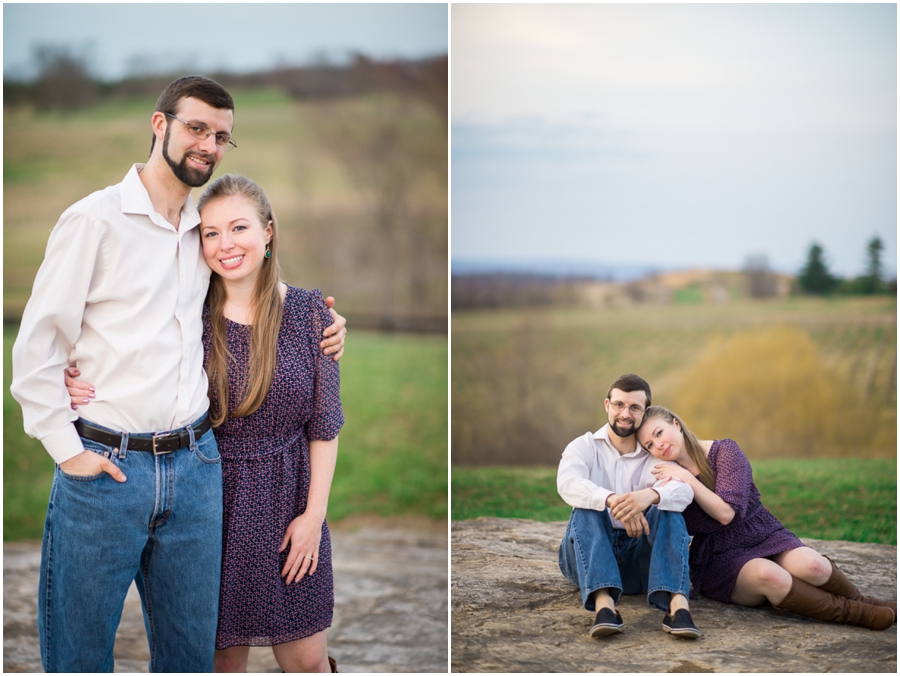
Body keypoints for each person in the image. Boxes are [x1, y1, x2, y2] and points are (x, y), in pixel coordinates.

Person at [11, 76, 346, 673]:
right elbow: (37, 346)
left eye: (221, 136)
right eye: (197, 128)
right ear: (159, 124)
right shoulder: (95, 221)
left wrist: (323, 321)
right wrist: (67, 449)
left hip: (196, 469)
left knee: (190, 657)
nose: (208, 144)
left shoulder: (200, 230)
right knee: (79, 652)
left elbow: (256, 294)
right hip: (108, 469)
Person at [636, 405, 896, 631]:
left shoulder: (724, 452)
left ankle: (863, 601)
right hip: (719, 558)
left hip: (761, 533)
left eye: (659, 433)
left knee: (813, 566)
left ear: (676, 424)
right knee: (771, 576)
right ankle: (858, 614)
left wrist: (688, 479)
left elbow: (727, 513)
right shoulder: (667, 477)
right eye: (649, 444)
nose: (658, 444)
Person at [556, 374, 701, 639]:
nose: (625, 413)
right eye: (619, 405)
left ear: (644, 412)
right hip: (586, 557)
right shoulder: (584, 447)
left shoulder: (652, 456)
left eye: (634, 407)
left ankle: (678, 608)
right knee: (587, 505)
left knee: (667, 506)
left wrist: (649, 496)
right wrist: (611, 500)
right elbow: (567, 483)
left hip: (639, 562)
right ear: (607, 405)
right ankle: (605, 608)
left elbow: (682, 491)